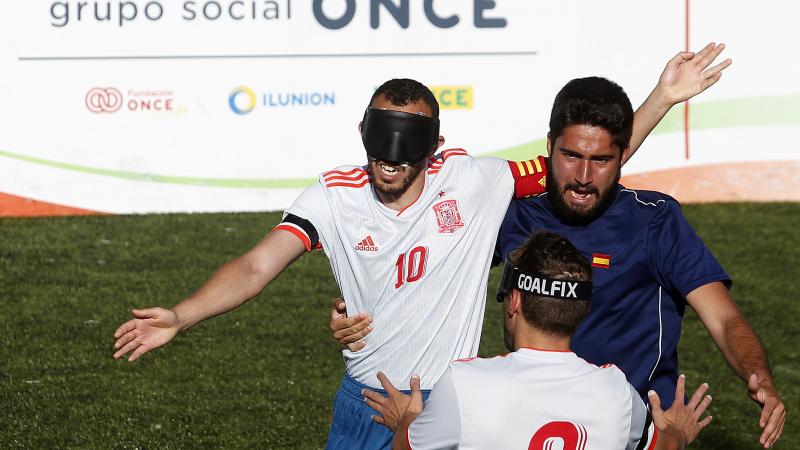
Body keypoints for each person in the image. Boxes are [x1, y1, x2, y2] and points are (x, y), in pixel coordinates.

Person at [114, 44, 730, 450]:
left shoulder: (475, 181)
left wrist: (661, 99)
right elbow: (256, 263)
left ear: (434, 147)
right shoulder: (331, 197)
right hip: (369, 397)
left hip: (456, 404)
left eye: (407, 145)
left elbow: (583, 170)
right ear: (361, 132)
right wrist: (180, 315)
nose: (389, 160)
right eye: (379, 140)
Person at [491, 76, 786, 448]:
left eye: (601, 160)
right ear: (550, 148)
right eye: (571, 156)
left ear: (623, 157)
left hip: (639, 435)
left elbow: (724, 318)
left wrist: (758, 374)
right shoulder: (513, 214)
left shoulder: (655, 221)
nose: (583, 177)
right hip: (530, 426)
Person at [365, 231, 713, 450]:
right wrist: (679, 432)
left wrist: (405, 419)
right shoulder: (616, 392)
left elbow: (407, 446)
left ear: (515, 300)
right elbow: (664, 444)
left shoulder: (465, 384)